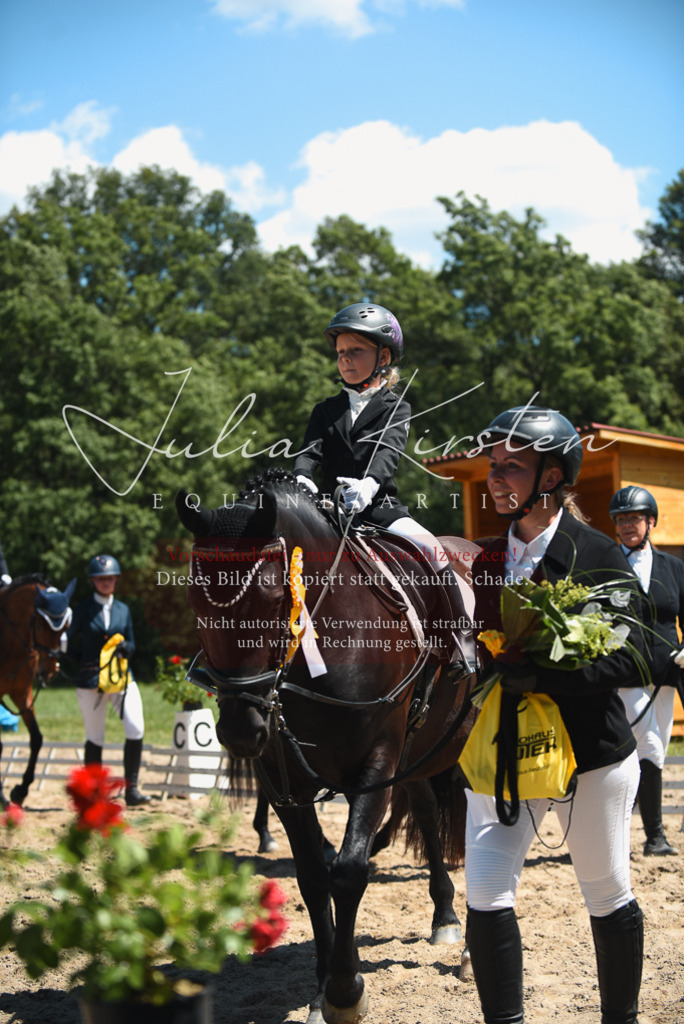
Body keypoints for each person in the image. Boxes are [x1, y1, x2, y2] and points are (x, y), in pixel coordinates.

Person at [465, 405, 645, 1024]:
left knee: (604, 892)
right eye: (493, 466)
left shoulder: (596, 552)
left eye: (510, 467)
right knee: (485, 894)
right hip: (505, 756)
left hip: (591, 756)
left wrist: (547, 674)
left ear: (550, 477)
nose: (495, 477)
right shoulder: (486, 561)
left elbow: (635, 655)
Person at [293, 301, 472, 669]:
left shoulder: (396, 406)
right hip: (328, 513)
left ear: (383, 355)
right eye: (341, 352)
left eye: (356, 351)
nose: (345, 359)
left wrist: (370, 484)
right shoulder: (324, 410)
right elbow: (309, 452)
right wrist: (301, 478)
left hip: (379, 509)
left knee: (436, 553)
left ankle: (461, 643)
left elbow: (387, 452)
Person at [609, 486, 684, 857]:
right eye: (621, 520)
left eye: (633, 518)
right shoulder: (608, 565)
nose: (626, 526)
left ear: (650, 521)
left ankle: (653, 836)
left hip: (668, 671)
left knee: (657, 749)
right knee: (644, 746)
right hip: (627, 672)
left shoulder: (673, 567)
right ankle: (650, 835)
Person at [68, 554, 150, 806]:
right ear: (93, 581)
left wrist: (127, 647)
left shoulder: (123, 610)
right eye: (101, 579)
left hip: (122, 677)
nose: (106, 582)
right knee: (95, 736)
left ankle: (132, 789)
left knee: (136, 728)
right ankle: (93, 792)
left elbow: (134, 642)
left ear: (116, 580)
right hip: (91, 679)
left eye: (110, 578)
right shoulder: (81, 610)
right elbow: (70, 644)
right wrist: (84, 663)